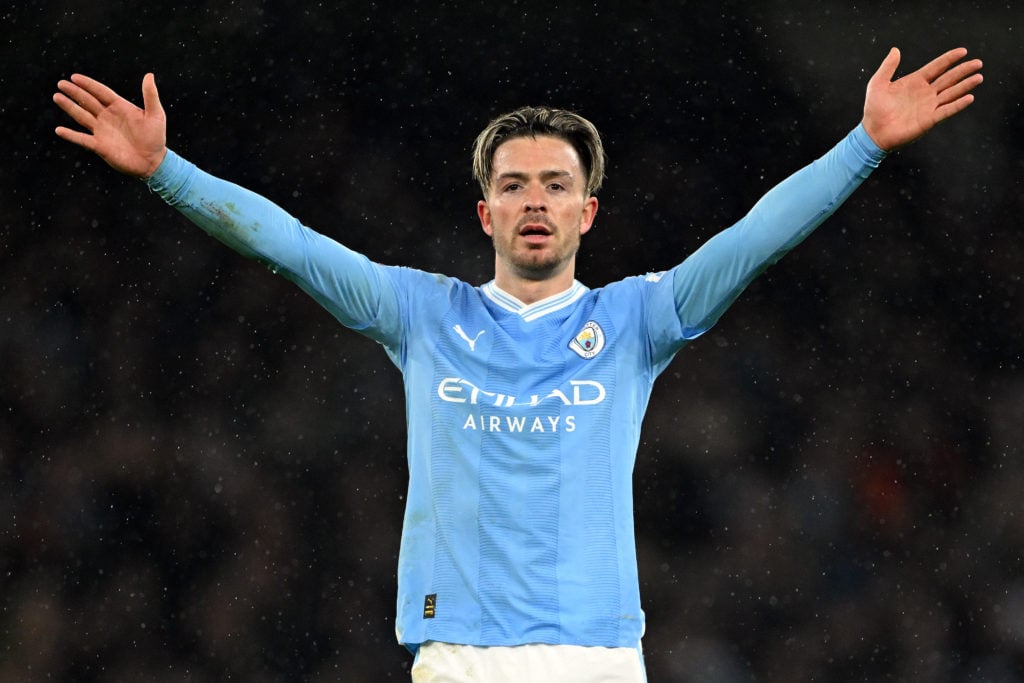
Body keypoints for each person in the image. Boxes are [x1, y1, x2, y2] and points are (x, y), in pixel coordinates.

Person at [52, 46, 982, 682]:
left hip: (597, 659)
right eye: (512, 185)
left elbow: (753, 240)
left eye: (557, 185)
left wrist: (863, 149)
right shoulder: (420, 312)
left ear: (587, 213)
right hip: (456, 656)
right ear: (486, 215)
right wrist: (170, 172)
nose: (535, 199)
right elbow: (292, 246)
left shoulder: (637, 320)